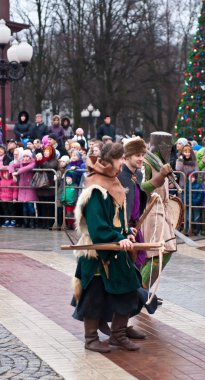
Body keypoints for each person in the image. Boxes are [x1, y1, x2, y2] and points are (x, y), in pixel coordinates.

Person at [72, 143, 141, 353]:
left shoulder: (113, 183)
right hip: (97, 252)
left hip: (115, 250)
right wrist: (118, 238)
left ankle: (118, 335)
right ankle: (91, 339)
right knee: (94, 297)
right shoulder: (95, 189)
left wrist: (127, 232)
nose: (122, 163)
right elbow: (98, 226)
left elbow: (117, 218)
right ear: (111, 161)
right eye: (120, 159)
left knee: (130, 290)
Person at [141, 132, 177, 289]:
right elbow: (141, 189)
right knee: (161, 251)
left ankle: (143, 289)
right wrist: (159, 178)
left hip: (163, 210)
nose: (168, 150)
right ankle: (140, 290)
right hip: (151, 211)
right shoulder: (146, 163)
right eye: (165, 146)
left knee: (158, 252)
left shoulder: (161, 163)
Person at [118, 137, 148, 269]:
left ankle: (139, 288)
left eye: (142, 155)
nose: (141, 158)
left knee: (140, 260)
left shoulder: (139, 175)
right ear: (127, 157)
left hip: (136, 226)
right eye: (137, 155)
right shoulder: (118, 176)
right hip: (123, 228)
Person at [9, 149, 38, 228]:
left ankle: (33, 222)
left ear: (30, 157)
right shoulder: (21, 162)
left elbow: (27, 168)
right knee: (24, 206)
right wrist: (12, 173)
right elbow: (11, 165)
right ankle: (26, 222)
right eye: (24, 156)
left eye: (27, 156)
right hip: (22, 186)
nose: (25, 158)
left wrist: (17, 172)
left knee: (30, 205)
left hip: (30, 186)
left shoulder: (33, 162)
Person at [35, 146, 58, 228]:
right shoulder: (41, 160)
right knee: (42, 205)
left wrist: (41, 160)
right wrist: (37, 160)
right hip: (41, 186)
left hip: (49, 187)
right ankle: (43, 222)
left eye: (48, 151)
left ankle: (49, 222)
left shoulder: (54, 161)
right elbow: (36, 167)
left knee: (49, 206)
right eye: (45, 151)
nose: (46, 152)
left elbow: (48, 166)